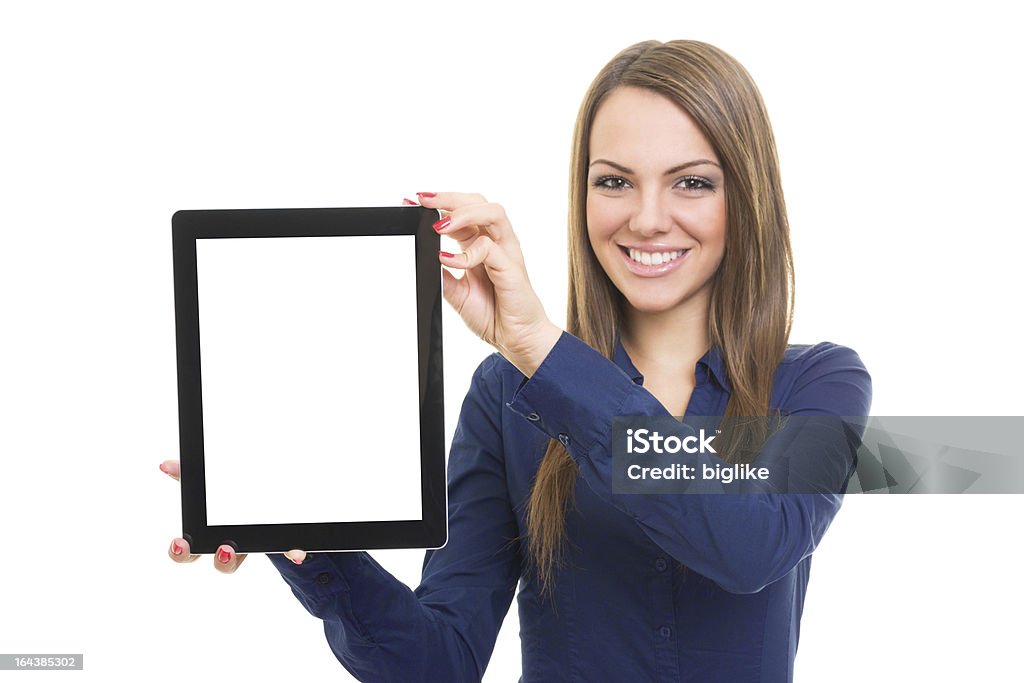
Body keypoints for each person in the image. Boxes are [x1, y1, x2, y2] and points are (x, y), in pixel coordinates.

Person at [161, 39, 872, 682]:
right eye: (614, 181)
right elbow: (437, 662)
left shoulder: (816, 383)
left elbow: (749, 547)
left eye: (691, 181)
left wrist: (545, 351)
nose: (648, 217)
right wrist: (298, 533)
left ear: (744, 196)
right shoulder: (507, 394)